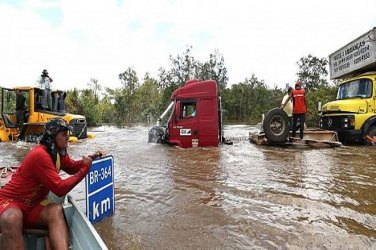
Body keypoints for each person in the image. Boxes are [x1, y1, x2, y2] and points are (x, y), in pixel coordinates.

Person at [0, 118, 104, 249]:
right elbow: (59, 189)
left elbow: (72, 167)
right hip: (10, 202)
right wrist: (85, 170)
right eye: (63, 135)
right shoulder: (40, 155)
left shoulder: (58, 153)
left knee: (56, 210)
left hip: (32, 205)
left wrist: (90, 158)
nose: (67, 138)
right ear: (53, 136)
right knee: (12, 217)